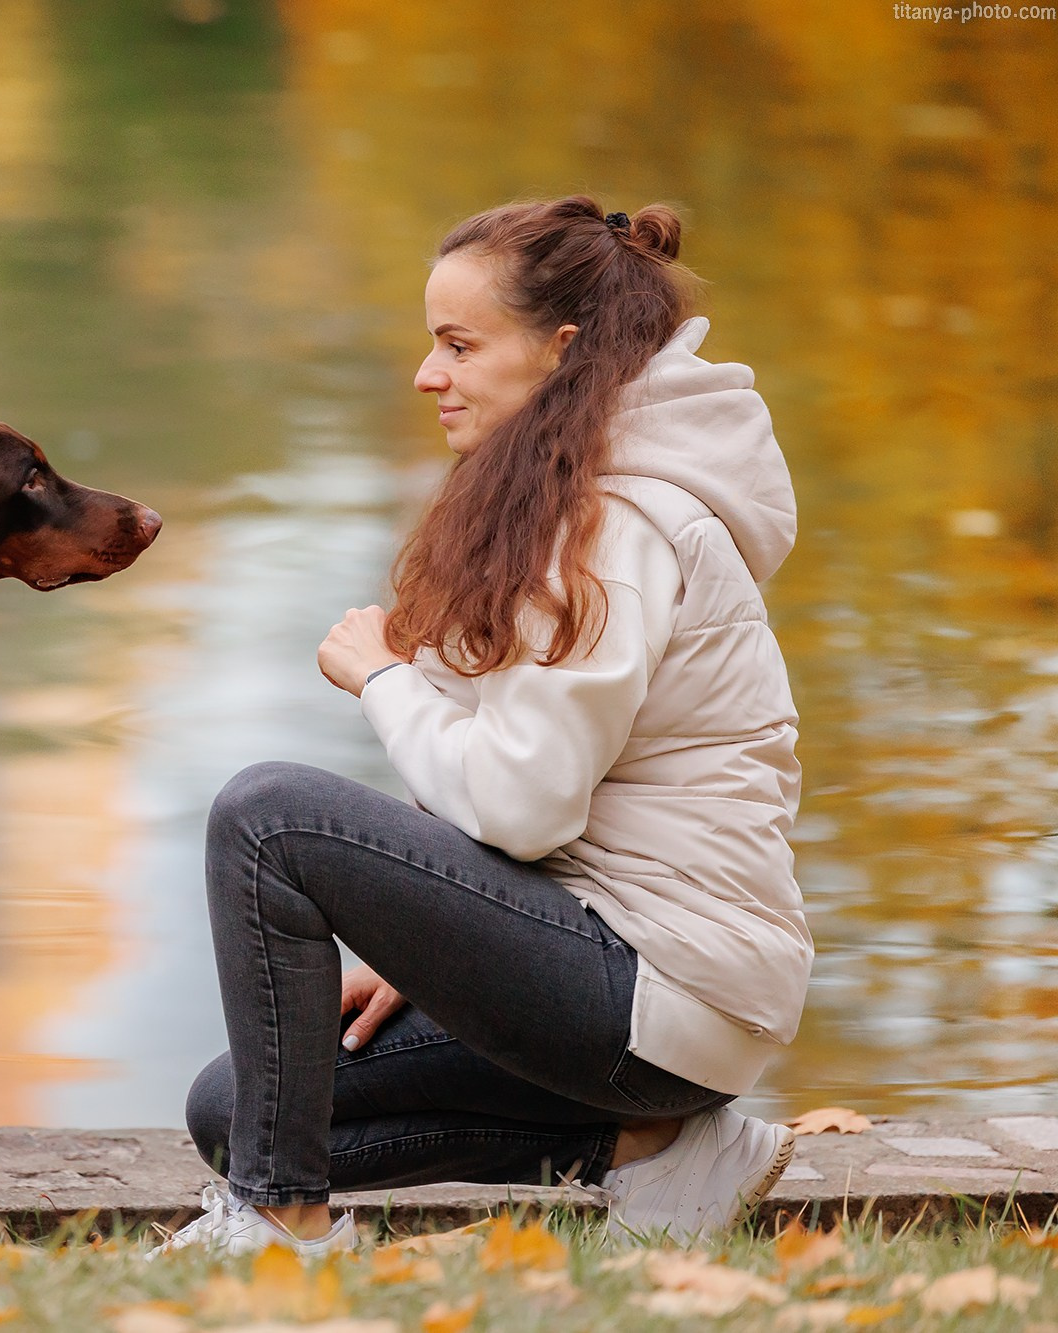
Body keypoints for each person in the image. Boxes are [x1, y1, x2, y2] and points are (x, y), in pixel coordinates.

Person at [154, 196, 810, 1257]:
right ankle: (656, 1153)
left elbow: (521, 801)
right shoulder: (567, 499)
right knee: (242, 1105)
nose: (427, 374)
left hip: (668, 983)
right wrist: (434, 948)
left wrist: (381, 679)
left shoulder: (617, 523)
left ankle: (276, 1229)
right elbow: (540, 805)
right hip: (632, 984)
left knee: (266, 816)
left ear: (560, 353)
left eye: (458, 345)